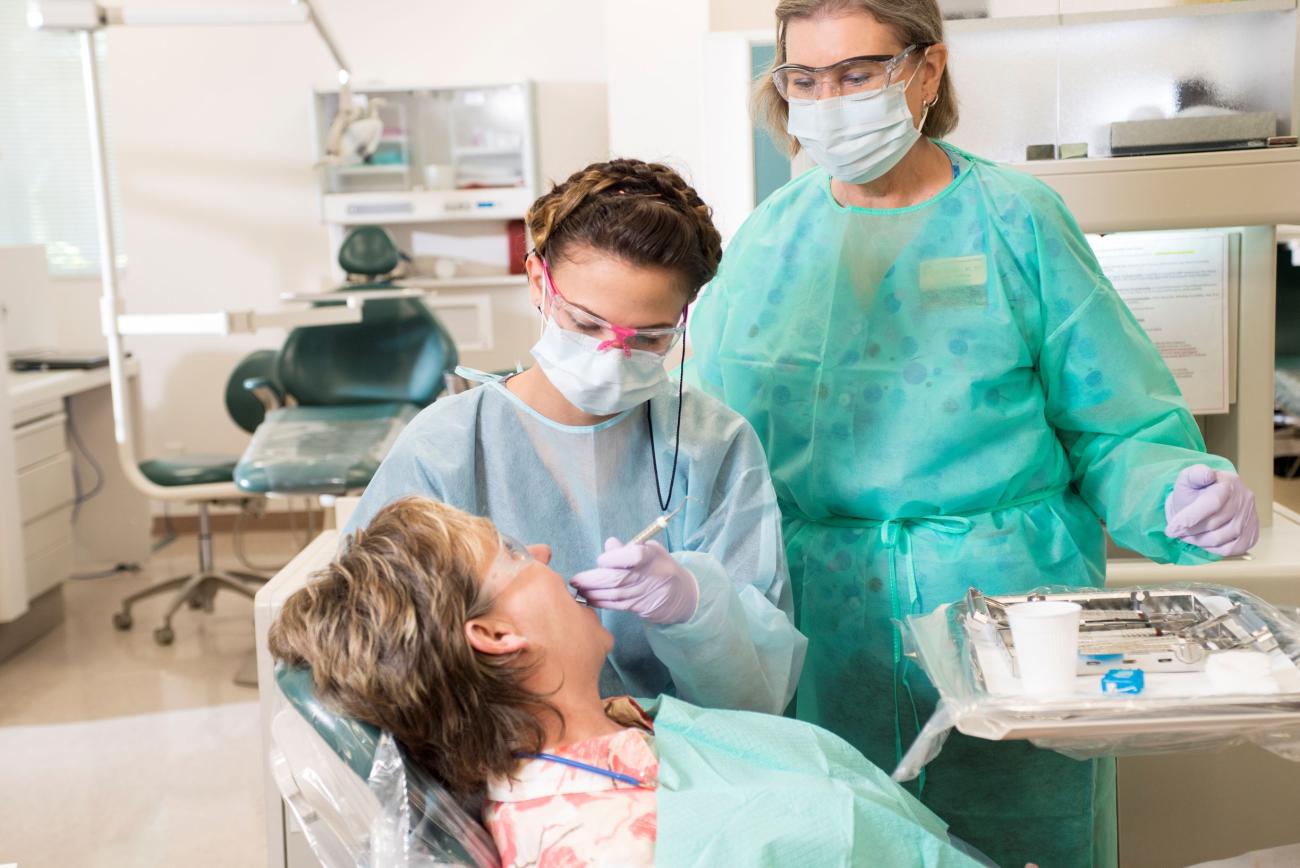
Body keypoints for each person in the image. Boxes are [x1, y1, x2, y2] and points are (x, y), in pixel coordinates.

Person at [683, 2, 1260, 866]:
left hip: (1010, 630)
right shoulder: (769, 240)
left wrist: (1176, 494)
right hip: (820, 637)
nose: (828, 100)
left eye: (856, 74)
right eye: (804, 79)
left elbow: (1117, 428)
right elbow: (705, 445)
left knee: (1021, 845)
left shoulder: (1016, 220)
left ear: (926, 68)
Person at [270, 496, 990, 867]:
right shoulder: (611, 842)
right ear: (493, 637)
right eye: (516, 553)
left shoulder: (607, 731)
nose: (546, 550)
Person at [342, 159, 805, 715]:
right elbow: (369, 647)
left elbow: (757, 696)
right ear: (539, 281)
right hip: (511, 760)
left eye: (649, 338)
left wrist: (697, 610)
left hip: (687, 751)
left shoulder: (713, 446)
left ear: (684, 316)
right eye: (586, 325)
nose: (611, 357)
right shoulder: (447, 448)